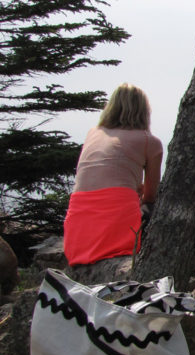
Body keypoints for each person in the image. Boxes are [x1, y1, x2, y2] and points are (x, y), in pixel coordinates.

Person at [63, 83, 162, 266]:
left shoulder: (93, 133)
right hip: (117, 230)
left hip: (78, 234)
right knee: (157, 210)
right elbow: (150, 196)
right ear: (144, 110)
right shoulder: (150, 142)